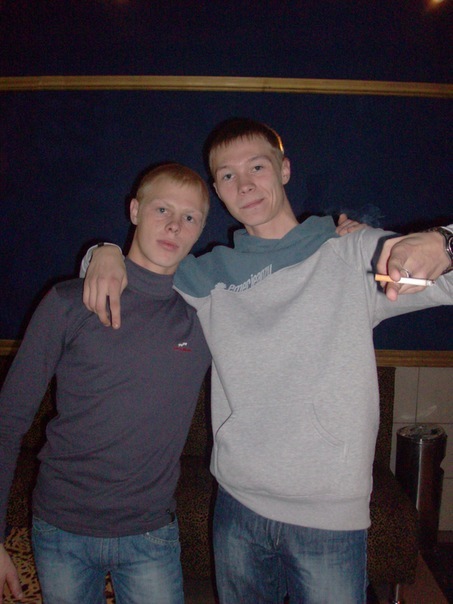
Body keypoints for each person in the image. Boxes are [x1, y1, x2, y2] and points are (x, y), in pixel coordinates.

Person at [82, 119, 453, 604]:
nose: (245, 184)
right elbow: (130, 276)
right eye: (228, 175)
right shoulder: (207, 276)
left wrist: (443, 242)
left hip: (329, 517)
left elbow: (440, 277)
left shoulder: (349, 253)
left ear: (284, 170)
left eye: (257, 167)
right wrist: (103, 251)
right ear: (217, 191)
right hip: (237, 507)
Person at [0, 163, 212, 604]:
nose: (175, 225)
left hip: (151, 534)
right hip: (60, 529)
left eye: (190, 217)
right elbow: (8, 419)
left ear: (200, 230)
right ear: (134, 210)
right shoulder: (67, 303)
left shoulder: (203, 321)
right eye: (162, 209)